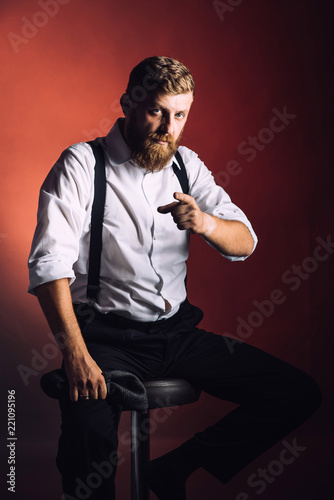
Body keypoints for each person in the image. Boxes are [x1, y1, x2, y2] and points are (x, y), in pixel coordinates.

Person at [28, 56, 321, 500]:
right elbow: (49, 265)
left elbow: (245, 242)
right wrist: (75, 354)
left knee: (295, 393)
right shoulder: (83, 164)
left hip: (177, 336)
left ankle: (176, 468)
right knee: (87, 443)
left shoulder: (187, 165)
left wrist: (204, 223)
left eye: (180, 115)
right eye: (157, 111)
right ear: (127, 103)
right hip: (107, 339)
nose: (169, 127)